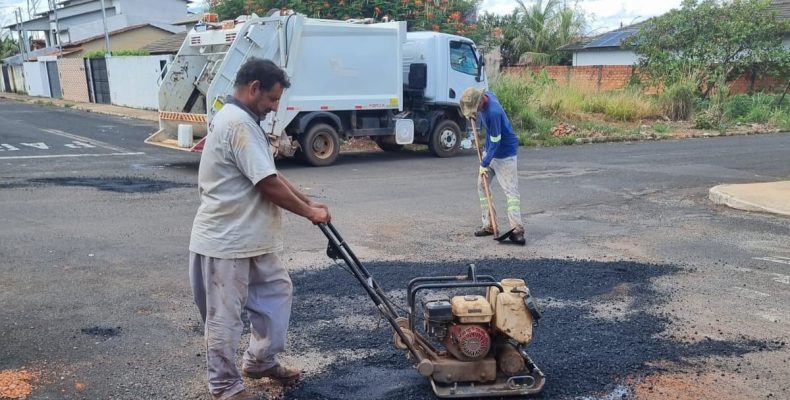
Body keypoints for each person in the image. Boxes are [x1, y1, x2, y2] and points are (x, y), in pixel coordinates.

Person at [189, 58, 331, 400]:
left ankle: (260, 360)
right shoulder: (237, 123)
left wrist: (310, 202)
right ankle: (225, 387)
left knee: (276, 296)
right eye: (272, 100)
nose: (273, 108)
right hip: (226, 242)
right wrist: (307, 213)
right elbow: (267, 183)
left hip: (252, 239)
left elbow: (271, 173)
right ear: (255, 88)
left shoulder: (244, 122)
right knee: (224, 319)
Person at [460, 87, 525, 245]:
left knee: (511, 192)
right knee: (482, 186)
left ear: (481, 101)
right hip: (490, 151)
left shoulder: (493, 113)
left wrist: (484, 163)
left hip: (505, 154)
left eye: (476, 108)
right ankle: (489, 225)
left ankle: (517, 230)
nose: (475, 111)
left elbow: (496, 142)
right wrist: (473, 113)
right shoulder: (486, 95)